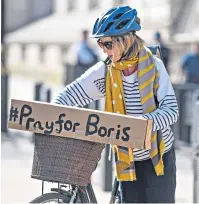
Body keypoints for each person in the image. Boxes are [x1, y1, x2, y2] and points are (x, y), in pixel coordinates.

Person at [52, 6, 179, 203]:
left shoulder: (154, 66)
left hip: (159, 159)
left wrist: (140, 124)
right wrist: (52, 119)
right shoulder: (105, 72)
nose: (103, 50)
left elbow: (171, 111)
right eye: (100, 44)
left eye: (108, 44)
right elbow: (66, 97)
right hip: (128, 162)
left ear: (126, 40)